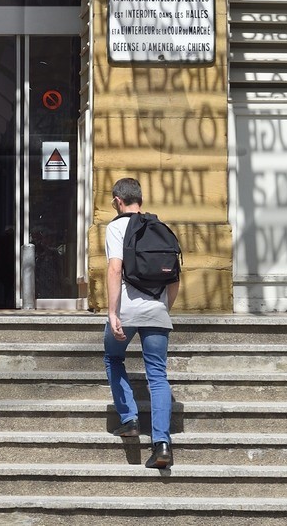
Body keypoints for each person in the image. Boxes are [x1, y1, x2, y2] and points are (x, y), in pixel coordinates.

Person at [104, 177, 176, 469]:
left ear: (118, 202)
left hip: (127, 310)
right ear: (140, 201)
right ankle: (161, 445)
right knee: (157, 376)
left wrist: (113, 312)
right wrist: (162, 309)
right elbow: (175, 279)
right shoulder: (160, 228)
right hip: (158, 310)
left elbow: (114, 269)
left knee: (113, 358)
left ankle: (129, 419)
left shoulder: (116, 226)